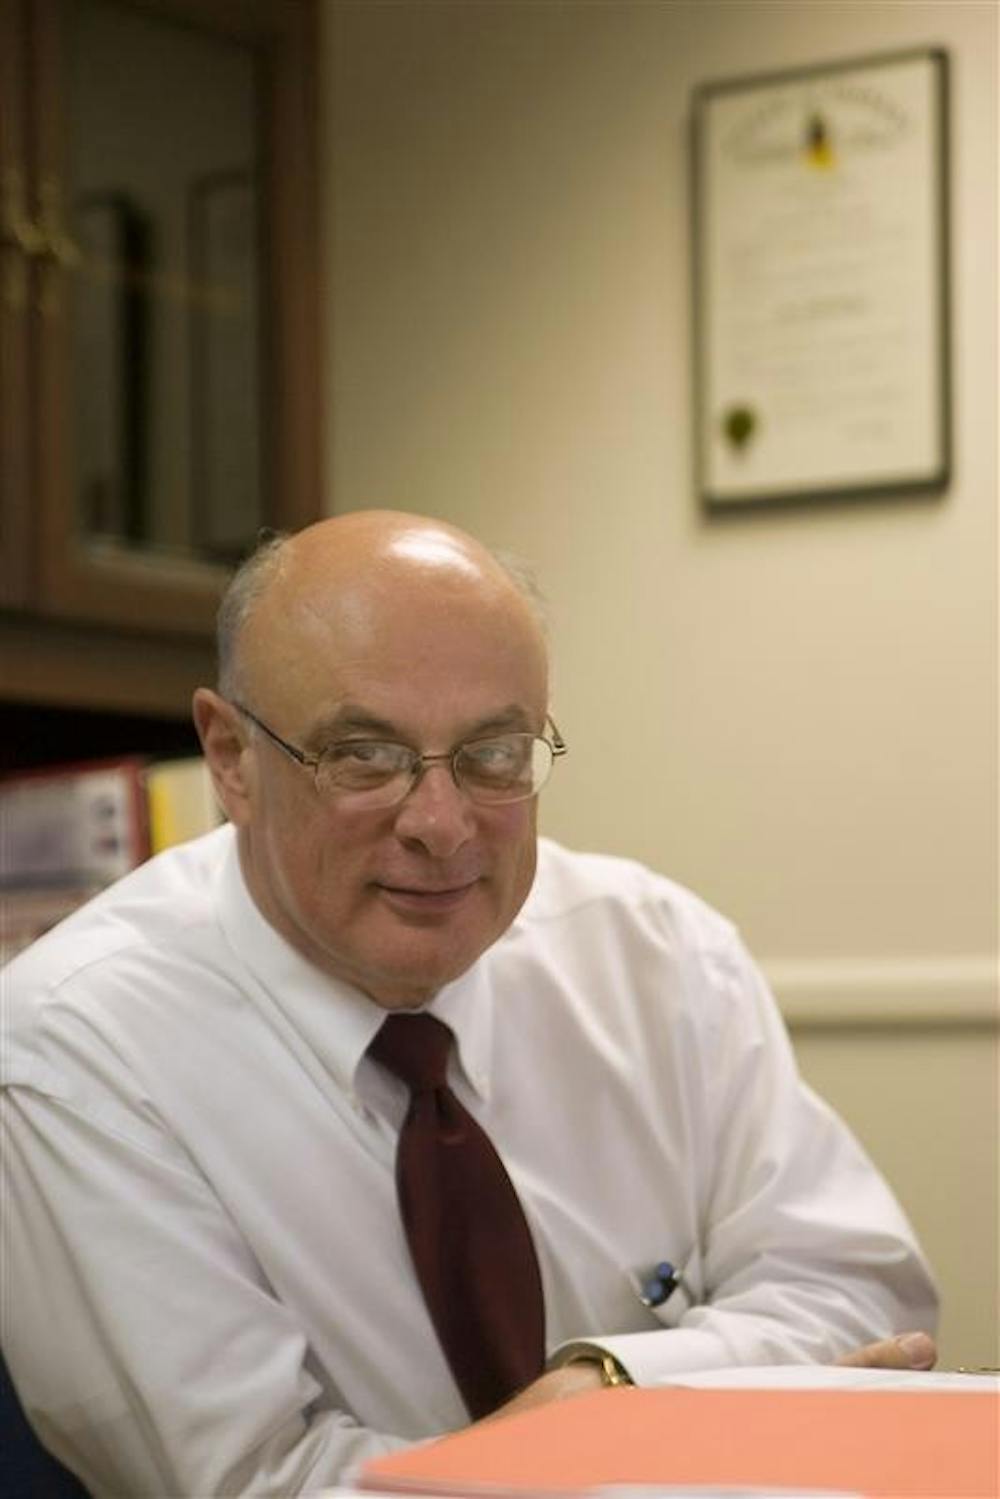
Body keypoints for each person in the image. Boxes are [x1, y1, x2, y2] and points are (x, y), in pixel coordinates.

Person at [1, 512, 937, 1496]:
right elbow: (261, 1483)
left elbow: (862, 1293)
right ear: (231, 757)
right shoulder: (75, 1052)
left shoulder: (655, 950)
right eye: (364, 752)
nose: (442, 826)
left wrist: (606, 1383)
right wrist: (694, 1401)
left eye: (494, 753)